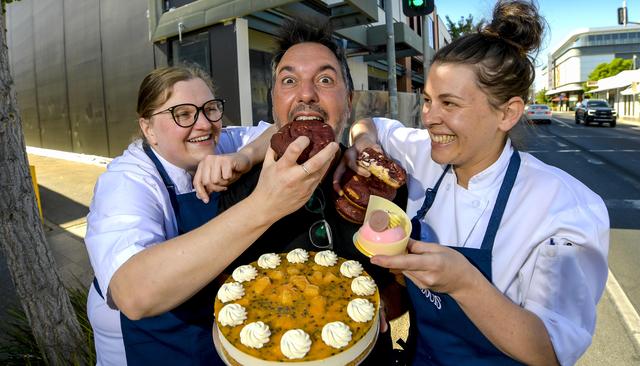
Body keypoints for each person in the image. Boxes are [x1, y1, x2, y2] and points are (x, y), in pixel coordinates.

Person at [336, 1, 609, 365]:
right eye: (428, 101)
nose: (430, 118)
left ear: (507, 113)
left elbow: (550, 351)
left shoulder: (564, 206)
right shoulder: (425, 155)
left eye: (449, 104)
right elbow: (371, 124)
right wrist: (365, 147)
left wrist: (463, 283)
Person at [85, 65, 339, 365]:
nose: (203, 124)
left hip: (220, 339)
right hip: (155, 350)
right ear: (148, 128)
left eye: (210, 109)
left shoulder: (219, 143)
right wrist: (264, 206)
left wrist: (243, 156)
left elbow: (276, 129)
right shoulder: (126, 182)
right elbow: (134, 294)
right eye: (182, 114)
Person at [216, 19, 406, 364]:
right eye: (289, 81)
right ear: (274, 102)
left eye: (325, 80)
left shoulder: (377, 188)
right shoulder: (238, 190)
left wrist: (386, 305)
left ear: (348, 101)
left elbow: (397, 283)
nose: (306, 94)